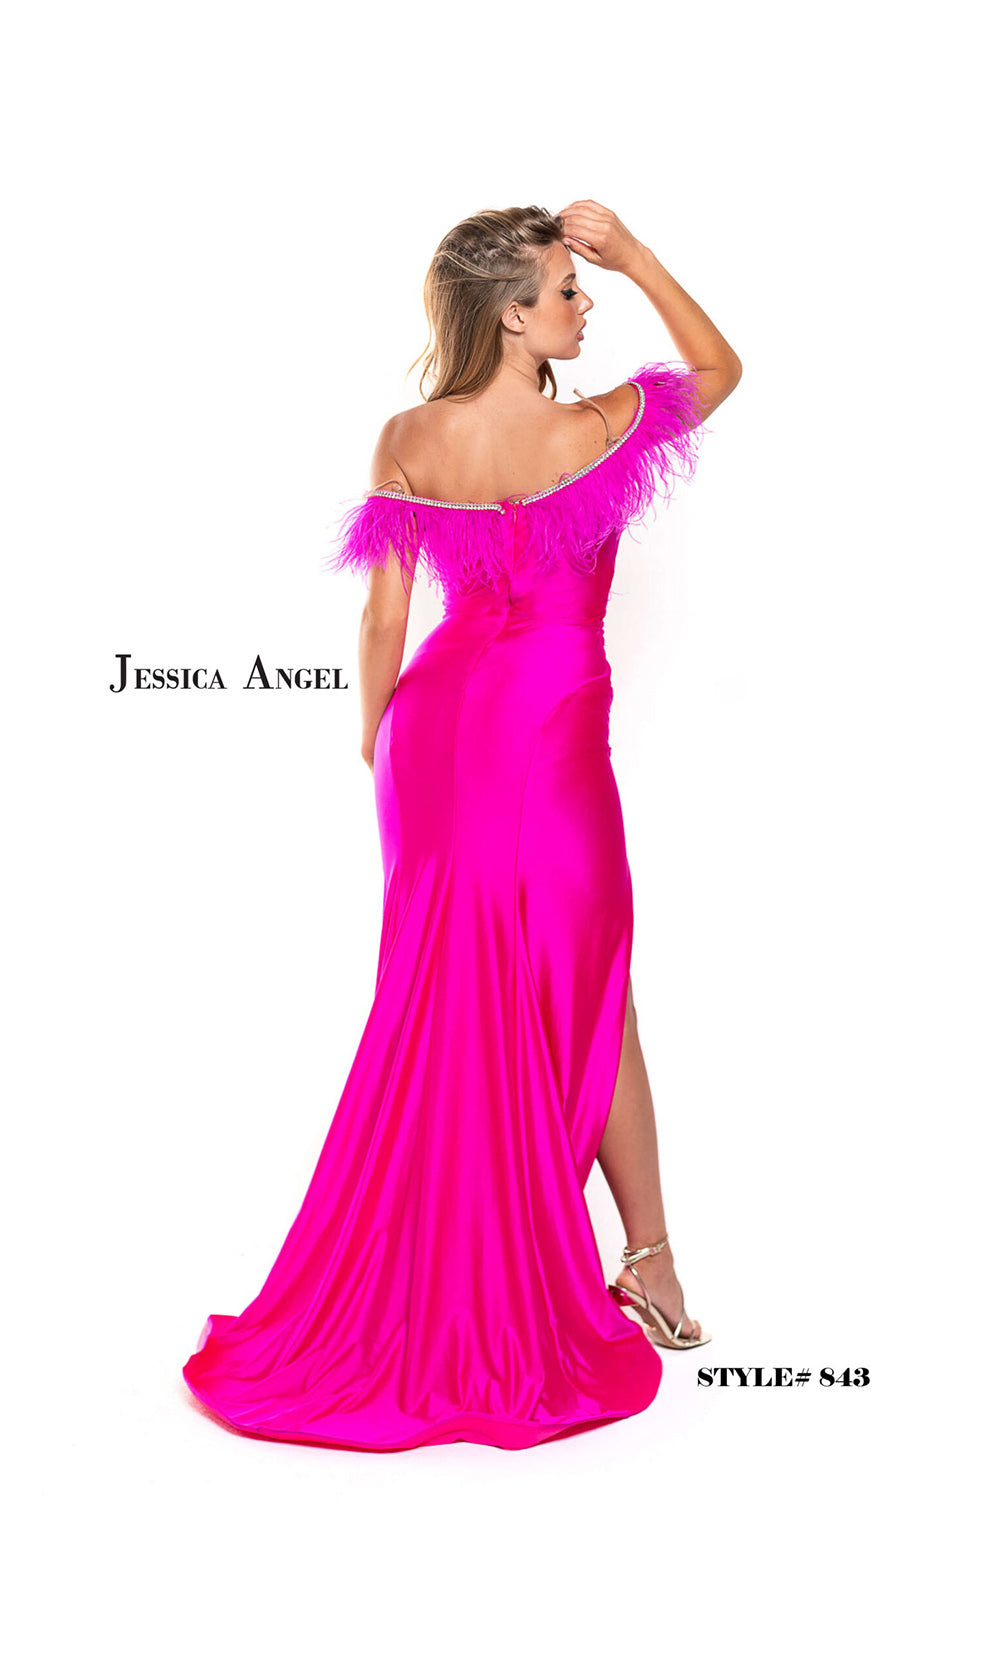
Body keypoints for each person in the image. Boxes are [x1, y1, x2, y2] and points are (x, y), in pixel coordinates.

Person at [182, 200, 742, 1452]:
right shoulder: (592, 430)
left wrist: (373, 740)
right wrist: (640, 253)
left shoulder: (410, 436)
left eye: (587, 284)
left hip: (432, 737)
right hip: (551, 732)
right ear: (512, 316)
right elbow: (718, 371)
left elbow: (383, 620)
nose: (585, 304)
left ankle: (576, 1253)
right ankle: (645, 1258)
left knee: (457, 982)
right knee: (592, 982)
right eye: (566, 288)